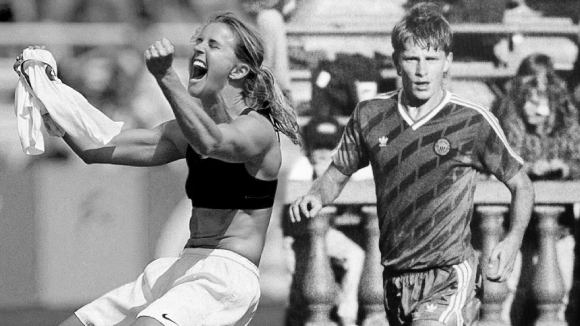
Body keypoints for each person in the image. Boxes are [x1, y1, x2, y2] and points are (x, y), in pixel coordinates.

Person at [20, 12, 299, 326]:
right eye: (199, 41)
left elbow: (213, 143)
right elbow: (94, 149)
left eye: (213, 44)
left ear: (239, 69)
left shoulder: (257, 129)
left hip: (224, 277)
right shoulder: (185, 132)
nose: (199, 49)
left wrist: (166, 77)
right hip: (178, 267)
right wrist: (48, 96)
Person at [289, 3, 535, 326]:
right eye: (412, 58)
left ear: (447, 62)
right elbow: (336, 175)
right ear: (396, 61)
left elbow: (522, 184)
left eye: (431, 59)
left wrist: (513, 237)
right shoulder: (370, 116)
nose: (422, 71)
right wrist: (316, 195)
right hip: (395, 280)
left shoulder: (471, 121)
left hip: (450, 275)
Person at [496, 54, 580, 323]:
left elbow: (577, 159)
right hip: (515, 228)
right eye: (527, 101)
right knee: (513, 291)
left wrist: (565, 168)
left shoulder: (567, 124)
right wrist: (529, 169)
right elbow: (500, 160)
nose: (532, 108)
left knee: (560, 288)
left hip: (559, 228)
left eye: (539, 101)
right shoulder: (509, 120)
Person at [285, 115, 369, 326]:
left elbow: (368, 189)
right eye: (318, 147)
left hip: (330, 234)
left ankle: (347, 315)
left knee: (356, 256)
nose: (323, 153)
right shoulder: (301, 166)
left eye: (329, 147)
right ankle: (302, 317)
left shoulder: (347, 164)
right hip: (297, 235)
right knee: (288, 263)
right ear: (309, 149)